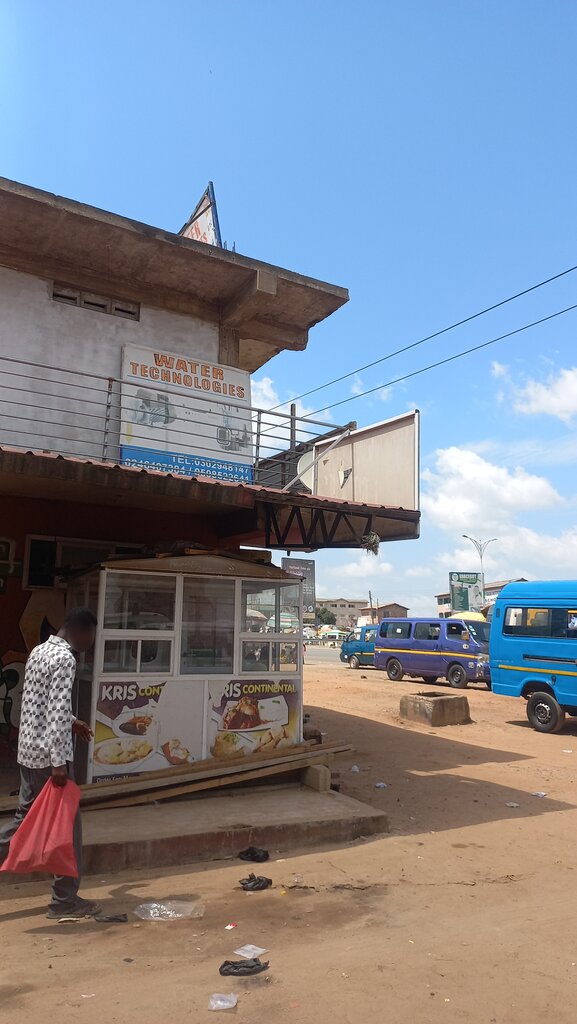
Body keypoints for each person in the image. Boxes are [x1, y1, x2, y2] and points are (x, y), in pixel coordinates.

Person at [0, 607, 101, 919]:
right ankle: (64, 902)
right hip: (49, 759)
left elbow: (39, 703)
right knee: (69, 831)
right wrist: (59, 763)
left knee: (22, 823)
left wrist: (73, 721)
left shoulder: (40, 651)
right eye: (91, 636)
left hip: (28, 754)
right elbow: (55, 712)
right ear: (80, 631)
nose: (90, 643)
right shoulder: (65, 659)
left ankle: (64, 899)